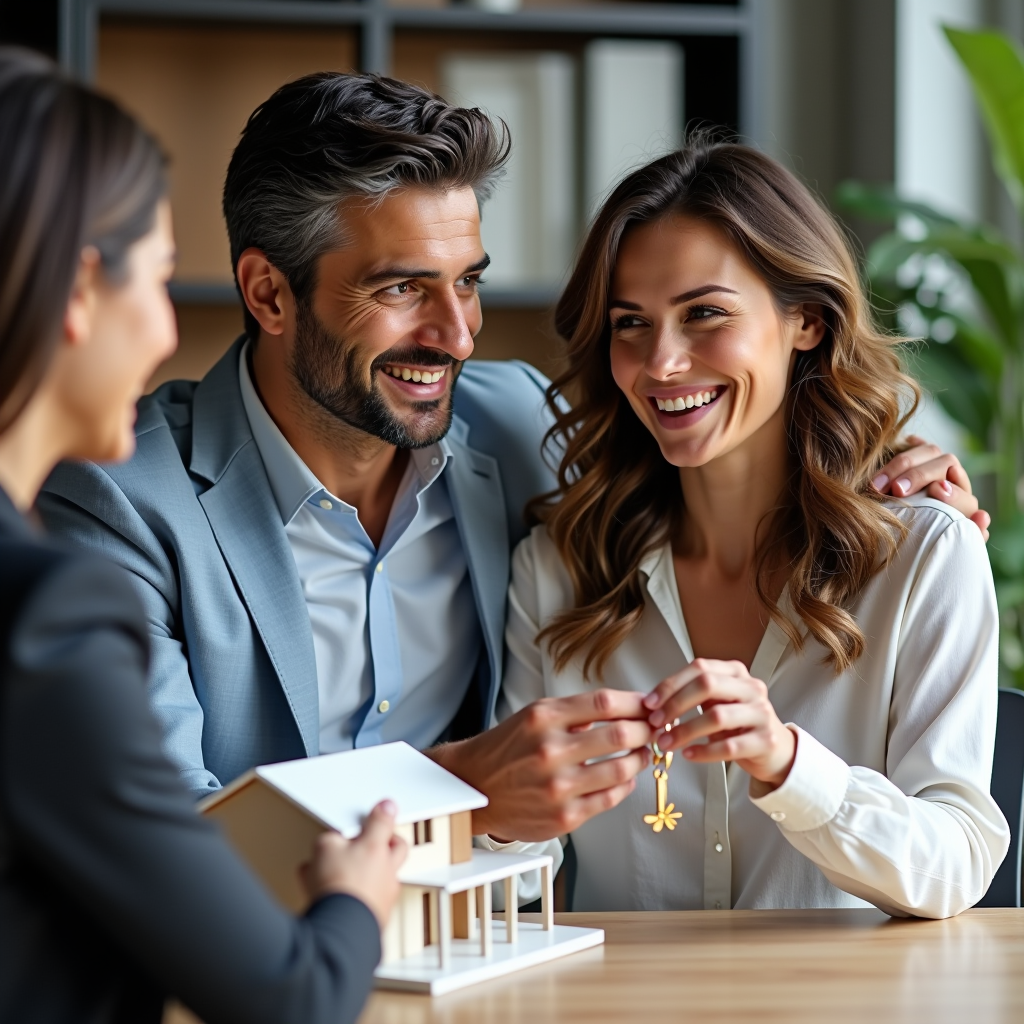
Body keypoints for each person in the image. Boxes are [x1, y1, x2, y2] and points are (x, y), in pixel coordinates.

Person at [40, 71, 986, 845]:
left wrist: (872, 466)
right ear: (269, 293)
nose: (456, 335)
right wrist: (453, 787)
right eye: (404, 288)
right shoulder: (120, 505)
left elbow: (701, 424)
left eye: (467, 282)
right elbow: (157, 849)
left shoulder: (516, 426)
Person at [496, 140, 1009, 918]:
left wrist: (786, 764)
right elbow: (515, 875)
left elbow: (958, 860)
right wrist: (500, 815)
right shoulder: (558, 568)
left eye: (704, 314)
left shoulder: (927, 554)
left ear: (805, 318)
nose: (661, 362)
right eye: (631, 323)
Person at [0, 50, 405, 1024]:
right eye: (158, 281)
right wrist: (354, 895)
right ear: (80, 294)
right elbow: (289, 997)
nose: (164, 332)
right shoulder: (48, 609)